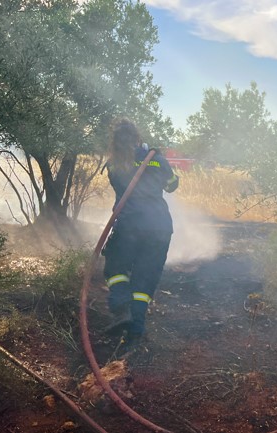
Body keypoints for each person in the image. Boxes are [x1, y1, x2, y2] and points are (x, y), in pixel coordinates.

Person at [102, 118, 179, 352]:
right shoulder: (156, 159)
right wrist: (157, 160)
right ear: (137, 137)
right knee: (145, 278)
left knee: (115, 268)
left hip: (129, 226)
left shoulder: (114, 164)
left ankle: (121, 308)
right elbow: (172, 185)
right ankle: (135, 329)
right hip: (159, 227)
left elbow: (120, 185)